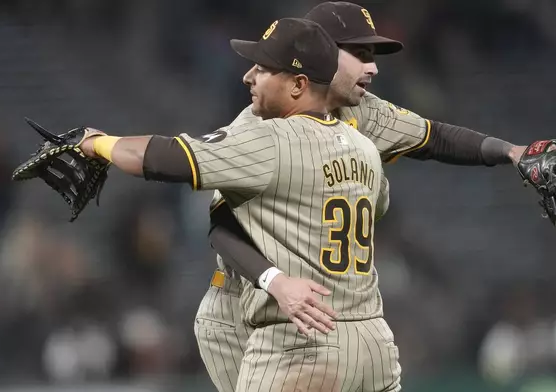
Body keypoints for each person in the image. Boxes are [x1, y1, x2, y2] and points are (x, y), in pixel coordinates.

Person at [199, 2, 532, 391]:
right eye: (358, 53)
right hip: (243, 308)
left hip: (317, 319)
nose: (372, 66)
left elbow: (433, 136)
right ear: (316, 53)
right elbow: (221, 226)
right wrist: (273, 280)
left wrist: (513, 152)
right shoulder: (260, 122)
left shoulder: (361, 112)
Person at [76, 17, 400, 391]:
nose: (248, 77)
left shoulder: (270, 140)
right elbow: (377, 207)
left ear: (298, 84)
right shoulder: (364, 148)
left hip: (301, 339)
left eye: (263, 69)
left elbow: (162, 159)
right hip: (373, 342)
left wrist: (95, 143)